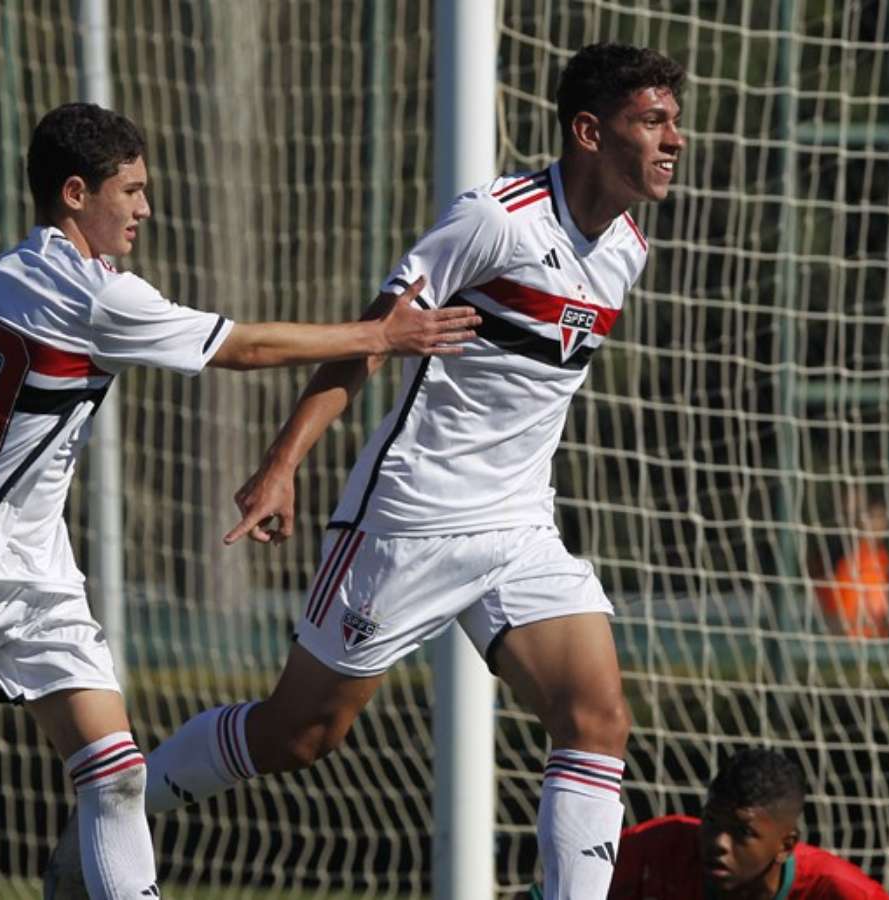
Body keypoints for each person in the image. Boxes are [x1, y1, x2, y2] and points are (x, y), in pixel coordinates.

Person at [45, 43, 685, 899]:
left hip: (521, 527)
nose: (674, 138)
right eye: (653, 121)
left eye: (673, 121)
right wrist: (281, 465)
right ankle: (113, 816)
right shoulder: (496, 218)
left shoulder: (628, 249)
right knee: (299, 737)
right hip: (408, 521)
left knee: (598, 718)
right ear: (587, 131)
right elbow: (370, 339)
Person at [0, 102, 478, 900]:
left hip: (39, 569)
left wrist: (8, 397)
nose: (144, 208)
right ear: (75, 193)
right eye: (130, 190)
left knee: (116, 775)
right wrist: (380, 336)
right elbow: (244, 347)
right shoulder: (99, 296)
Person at [606, 748, 889, 899]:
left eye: (742, 831)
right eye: (711, 821)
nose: (719, 842)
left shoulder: (843, 892)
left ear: (786, 845)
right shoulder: (658, 849)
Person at [815, 491, 889, 638]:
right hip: (855, 642)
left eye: (882, 518)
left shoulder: (888, 560)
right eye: (873, 517)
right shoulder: (849, 564)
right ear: (860, 522)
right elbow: (836, 616)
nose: (878, 524)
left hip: (883, 641)